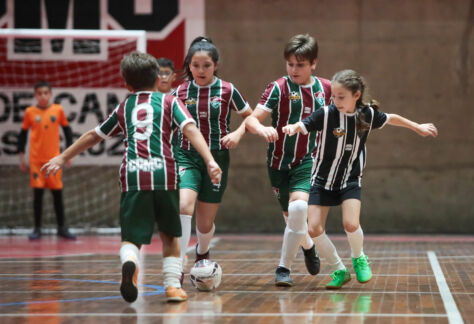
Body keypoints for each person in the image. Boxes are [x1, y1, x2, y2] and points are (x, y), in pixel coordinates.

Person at [41, 51, 222, 303]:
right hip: (165, 174)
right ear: (157, 78)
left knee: (131, 239)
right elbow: (190, 129)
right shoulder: (169, 102)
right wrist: (210, 160)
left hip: (133, 175)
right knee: (170, 236)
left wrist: (62, 157)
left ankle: (130, 261)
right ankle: (172, 287)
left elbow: (93, 135)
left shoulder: (125, 106)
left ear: (126, 84)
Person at [282, 69, 438, 289]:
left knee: (351, 223)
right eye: (334, 96)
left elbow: (391, 118)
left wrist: (417, 127)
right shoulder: (325, 114)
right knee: (314, 229)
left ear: (356, 95)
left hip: (349, 179)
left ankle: (359, 257)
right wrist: (293, 127)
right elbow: (304, 124)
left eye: (342, 97)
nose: (336, 101)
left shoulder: (367, 115)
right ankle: (339, 269)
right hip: (321, 181)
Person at [245, 34, 330, 286]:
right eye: (290, 64)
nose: (294, 69)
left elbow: (347, 111)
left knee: (298, 209)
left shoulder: (326, 88)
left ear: (314, 63)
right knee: (291, 217)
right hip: (278, 163)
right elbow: (251, 119)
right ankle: (308, 245)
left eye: (300, 64)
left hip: (308, 161)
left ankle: (283, 268)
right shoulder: (278, 87)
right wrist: (262, 130)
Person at [175, 37, 252, 280]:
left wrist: (238, 134)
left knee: (205, 223)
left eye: (206, 65)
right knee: (184, 206)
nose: (200, 70)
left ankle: (202, 251)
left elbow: (250, 117)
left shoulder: (228, 90)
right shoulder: (180, 91)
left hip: (217, 159)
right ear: (188, 66)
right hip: (186, 155)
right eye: (195, 65)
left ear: (215, 65)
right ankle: (176, 267)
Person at [18, 80, 76, 240]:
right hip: (36, 160)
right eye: (39, 93)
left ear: (50, 94)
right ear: (35, 95)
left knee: (57, 194)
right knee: (38, 195)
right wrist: (21, 156)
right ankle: (37, 229)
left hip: (54, 160)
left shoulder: (58, 110)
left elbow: (67, 130)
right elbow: (22, 135)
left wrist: (68, 155)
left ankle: (62, 228)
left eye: (45, 93)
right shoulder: (30, 112)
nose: (43, 96)